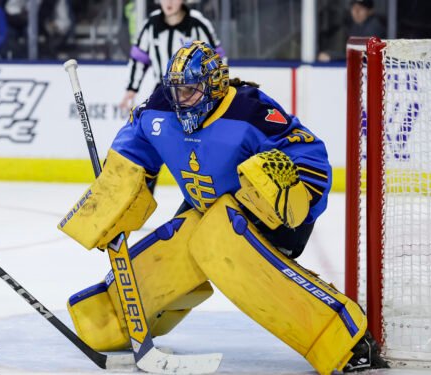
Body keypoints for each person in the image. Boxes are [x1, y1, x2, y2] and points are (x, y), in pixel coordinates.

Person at [59, 41, 389, 374]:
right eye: (175, 91)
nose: (179, 101)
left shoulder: (250, 111)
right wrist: (113, 197)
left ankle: (345, 340)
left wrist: (293, 193)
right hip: (207, 208)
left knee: (221, 236)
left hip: (272, 216)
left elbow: (311, 155)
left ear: (214, 86)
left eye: (189, 91)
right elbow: (131, 153)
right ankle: (112, 322)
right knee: (181, 243)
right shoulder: (157, 109)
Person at [120, 0, 221, 112]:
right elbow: (139, 60)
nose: (169, 2)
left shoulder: (197, 24)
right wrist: (131, 89)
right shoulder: (151, 24)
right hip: (162, 92)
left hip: (193, 92)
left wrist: (215, 89)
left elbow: (216, 59)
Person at [318, 0, 386, 62]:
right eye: (354, 8)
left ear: (370, 11)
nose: (356, 12)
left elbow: (362, 55)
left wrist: (332, 56)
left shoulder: (374, 26)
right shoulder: (355, 26)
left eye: (361, 8)